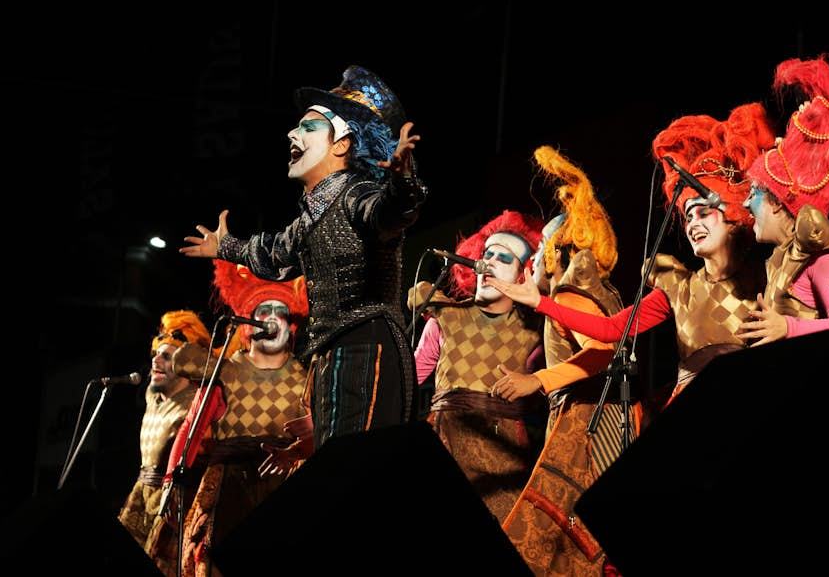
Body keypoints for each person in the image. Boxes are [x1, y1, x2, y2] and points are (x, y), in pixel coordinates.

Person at [180, 65, 426, 451]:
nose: (292, 134)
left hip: (367, 345)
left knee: (356, 464)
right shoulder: (312, 214)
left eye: (309, 128)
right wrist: (225, 247)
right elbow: (272, 255)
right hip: (332, 352)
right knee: (332, 462)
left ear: (341, 144)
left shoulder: (355, 193)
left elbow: (389, 215)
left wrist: (402, 183)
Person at [486, 101, 776, 404]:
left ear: (733, 217)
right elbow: (611, 330)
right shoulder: (678, 288)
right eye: (688, 216)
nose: (693, 224)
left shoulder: (766, 276)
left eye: (703, 213)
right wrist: (538, 302)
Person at [495, 146, 637, 576]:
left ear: (558, 252)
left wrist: (537, 380)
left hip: (589, 423)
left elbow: (603, 350)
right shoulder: (594, 289)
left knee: (556, 542)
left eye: (540, 249)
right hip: (601, 416)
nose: (534, 259)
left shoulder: (568, 292)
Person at [158, 260, 310, 576]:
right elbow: (192, 426)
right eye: (263, 312)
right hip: (228, 484)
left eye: (281, 313)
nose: (272, 320)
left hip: (285, 485)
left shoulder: (306, 376)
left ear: (291, 325)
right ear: (247, 323)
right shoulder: (224, 373)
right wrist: (172, 478)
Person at [407, 209, 546, 523]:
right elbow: (406, 380)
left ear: (524, 273)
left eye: (503, 258)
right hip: (442, 441)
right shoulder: (446, 318)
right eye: (487, 254)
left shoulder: (536, 331)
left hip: (501, 453)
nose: (489, 262)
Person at [738, 55, 829, 345]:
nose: (745, 205)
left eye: (753, 194)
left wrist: (788, 328)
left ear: (778, 202)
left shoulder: (824, 258)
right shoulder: (780, 259)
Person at [117, 310, 212, 576]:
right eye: (156, 354)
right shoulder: (153, 395)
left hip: (169, 500)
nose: (156, 360)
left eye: (166, 357)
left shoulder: (196, 402)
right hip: (141, 493)